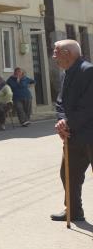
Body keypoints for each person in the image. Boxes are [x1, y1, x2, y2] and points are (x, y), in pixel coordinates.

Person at [51, 39, 93, 222]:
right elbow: (60, 102)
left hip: (89, 133)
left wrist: (67, 123)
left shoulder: (88, 71)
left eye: (56, 52)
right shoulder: (66, 73)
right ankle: (74, 210)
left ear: (67, 53)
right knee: (69, 174)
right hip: (73, 134)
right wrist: (61, 121)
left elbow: (89, 105)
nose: (54, 56)